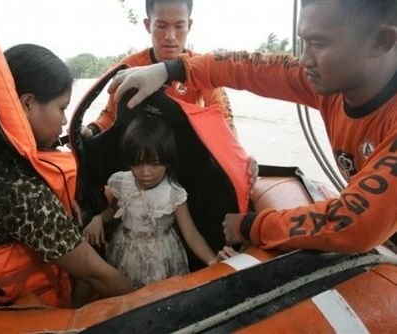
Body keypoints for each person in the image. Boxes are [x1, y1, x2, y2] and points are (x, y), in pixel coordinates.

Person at [107, 0, 397, 254]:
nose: (305, 59)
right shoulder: (329, 83)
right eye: (304, 42)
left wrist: (250, 225)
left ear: (381, 41)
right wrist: (170, 70)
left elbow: (354, 226)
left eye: (319, 44)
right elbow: (251, 68)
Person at [0, 43, 132, 308]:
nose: (64, 120)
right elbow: (96, 274)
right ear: (27, 103)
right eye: (61, 108)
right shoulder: (17, 186)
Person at [83, 115, 234, 288]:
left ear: (167, 161)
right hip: (126, 250)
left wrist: (212, 261)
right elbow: (116, 211)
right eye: (138, 164)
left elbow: (191, 235)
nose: (146, 172)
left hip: (160, 257)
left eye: (154, 164)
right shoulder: (122, 182)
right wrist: (99, 219)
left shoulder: (173, 193)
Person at [81, 0, 235, 137]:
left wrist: (237, 157)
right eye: (161, 25)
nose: (170, 36)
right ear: (148, 25)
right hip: (141, 158)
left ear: (189, 25)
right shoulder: (130, 65)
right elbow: (111, 115)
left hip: (185, 153)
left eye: (179, 26)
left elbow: (224, 119)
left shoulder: (202, 68)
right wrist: (92, 130)